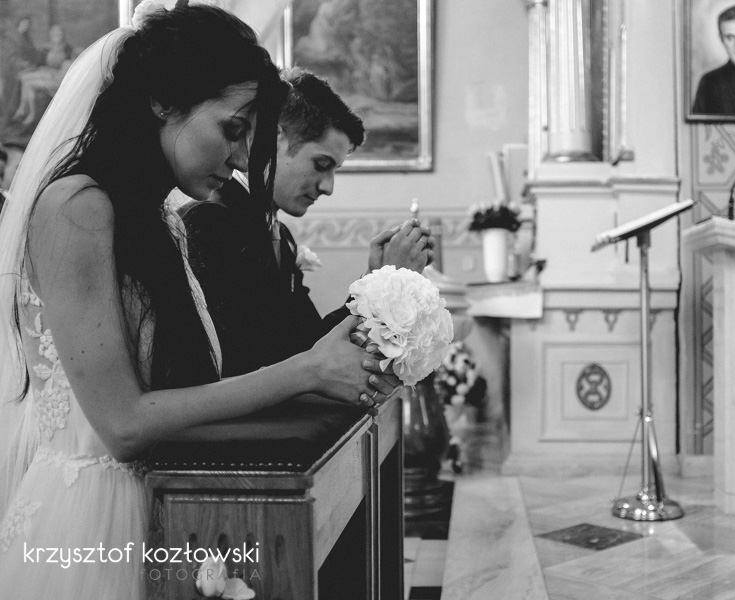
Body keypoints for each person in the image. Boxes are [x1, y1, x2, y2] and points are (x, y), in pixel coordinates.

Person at [0, 3, 399, 598]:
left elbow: (197, 381)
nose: (240, 160)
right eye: (233, 130)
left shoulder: (160, 219)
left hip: (170, 499)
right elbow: (122, 425)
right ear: (164, 102)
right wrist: (308, 369)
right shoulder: (76, 207)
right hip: (90, 519)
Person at [181, 69, 434, 378]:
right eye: (321, 164)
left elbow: (309, 344)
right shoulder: (211, 222)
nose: (328, 187)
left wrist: (376, 279)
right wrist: (388, 285)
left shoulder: (280, 234)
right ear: (274, 136)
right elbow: (251, 365)